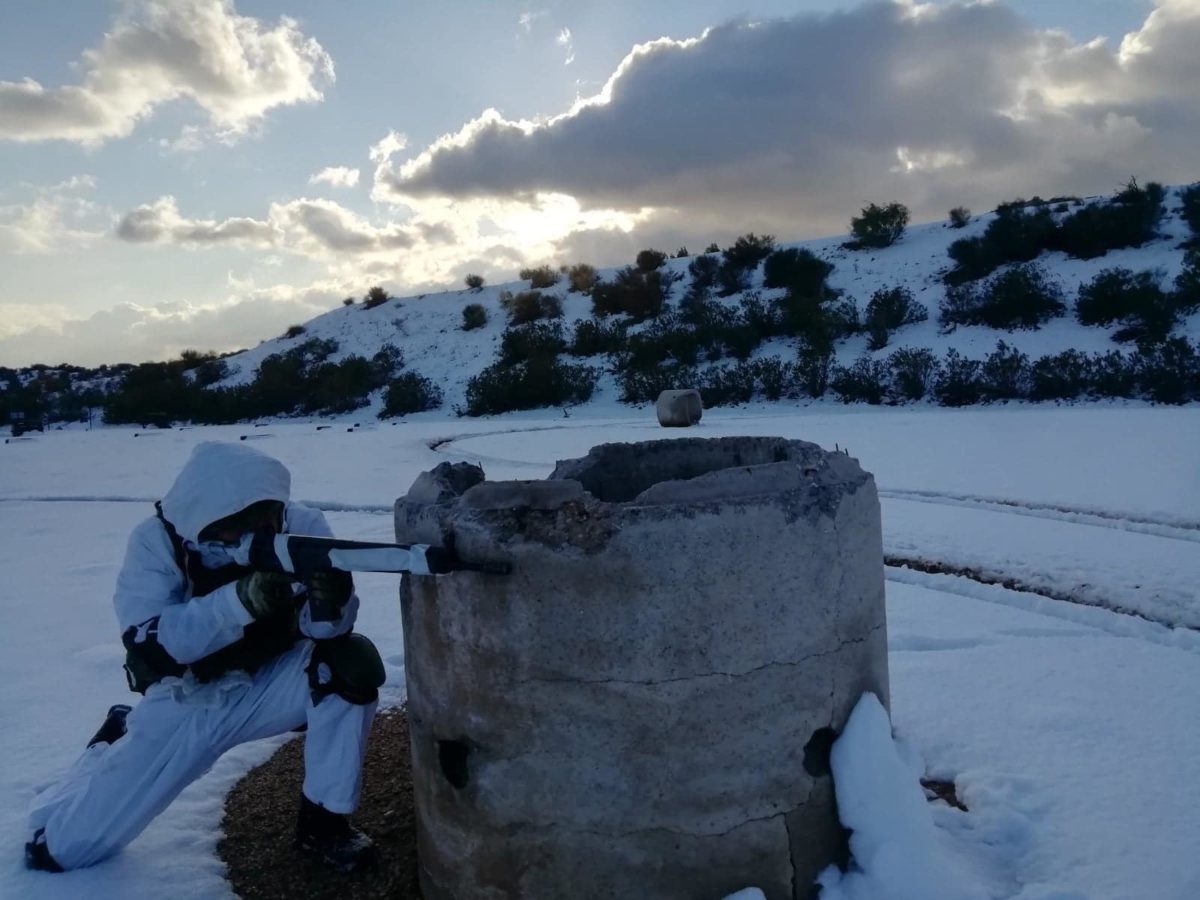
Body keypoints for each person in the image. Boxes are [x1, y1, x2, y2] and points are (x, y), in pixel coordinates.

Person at [25, 441, 459, 874]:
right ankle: (111, 741)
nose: (256, 531)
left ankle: (324, 825)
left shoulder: (302, 525)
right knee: (64, 851)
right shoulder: (156, 543)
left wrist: (333, 602)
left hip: (271, 678)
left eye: (264, 516)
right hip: (189, 699)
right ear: (206, 516)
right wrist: (239, 602)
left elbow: (326, 633)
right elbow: (152, 645)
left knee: (348, 665)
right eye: (240, 523)